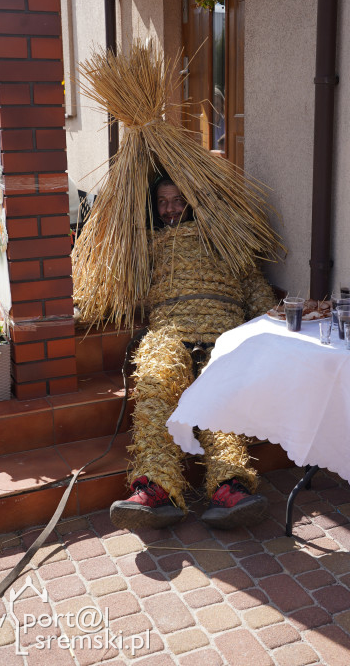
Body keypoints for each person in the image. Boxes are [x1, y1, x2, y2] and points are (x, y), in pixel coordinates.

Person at [110, 177, 277, 531]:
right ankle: (154, 489)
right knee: (155, 387)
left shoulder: (227, 244)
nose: (170, 208)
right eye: (162, 201)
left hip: (224, 338)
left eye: (178, 200)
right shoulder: (147, 248)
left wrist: (279, 323)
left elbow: (255, 288)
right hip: (169, 336)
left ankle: (229, 488)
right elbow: (118, 287)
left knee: (223, 398)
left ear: (196, 202)